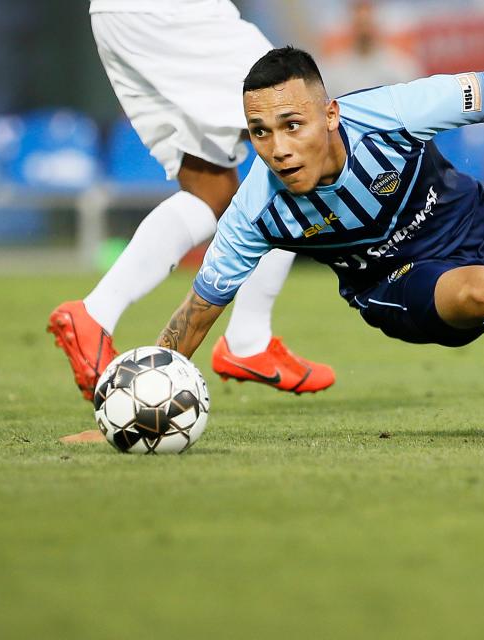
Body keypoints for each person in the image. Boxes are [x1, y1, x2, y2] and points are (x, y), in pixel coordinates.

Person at [132, 45, 484, 448]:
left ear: (330, 115)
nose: (277, 149)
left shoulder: (392, 112)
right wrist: (137, 409)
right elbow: (196, 315)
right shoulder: (256, 208)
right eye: (260, 132)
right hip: (400, 286)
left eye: (292, 124)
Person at [48, 1, 335, 404]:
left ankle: (93, 315)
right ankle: (248, 341)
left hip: (118, 17)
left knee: (210, 191)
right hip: (172, 11)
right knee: (295, 119)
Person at [319, 0, 420, 98]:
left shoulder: (399, 65)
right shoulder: (334, 69)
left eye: (367, 24)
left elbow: (412, 100)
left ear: (376, 24)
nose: (364, 31)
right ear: (351, 26)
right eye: (360, 24)